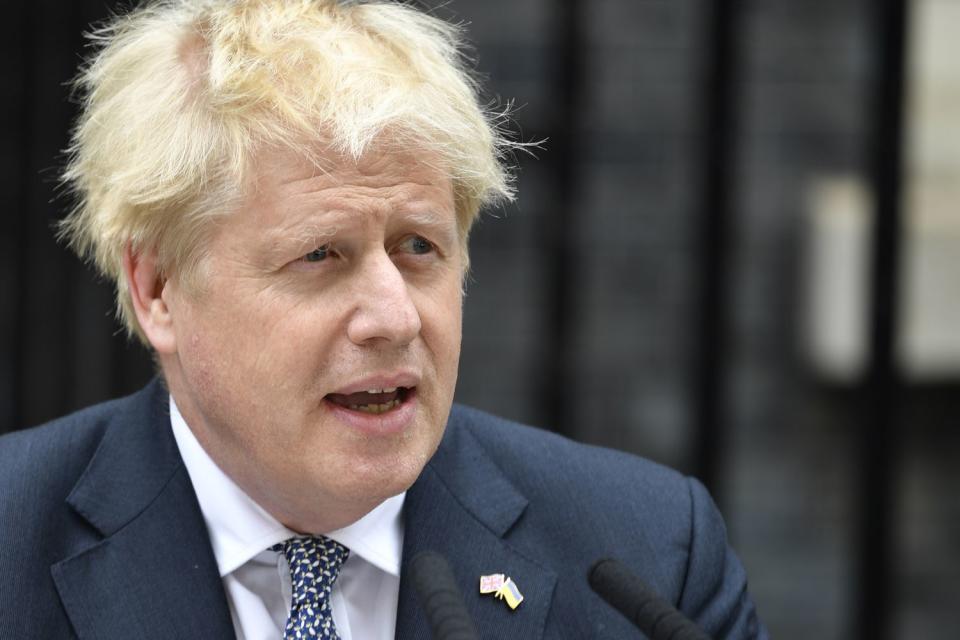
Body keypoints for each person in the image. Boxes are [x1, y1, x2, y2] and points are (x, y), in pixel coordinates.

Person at [0, 1, 768, 638]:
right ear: (156, 286)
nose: (395, 317)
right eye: (321, 255)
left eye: (419, 247)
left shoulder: (648, 558)